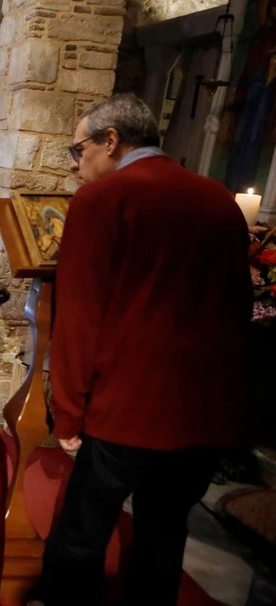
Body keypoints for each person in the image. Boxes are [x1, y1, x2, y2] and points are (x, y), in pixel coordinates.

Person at [36, 94, 254, 605]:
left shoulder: (102, 200)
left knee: (82, 534)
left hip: (127, 405)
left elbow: (80, 318)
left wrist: (67, 411)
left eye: (78, 150)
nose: (75, 164)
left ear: (111, 140)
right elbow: (238, 307)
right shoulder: (217, 199)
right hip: (202, 410)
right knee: (163, 534)